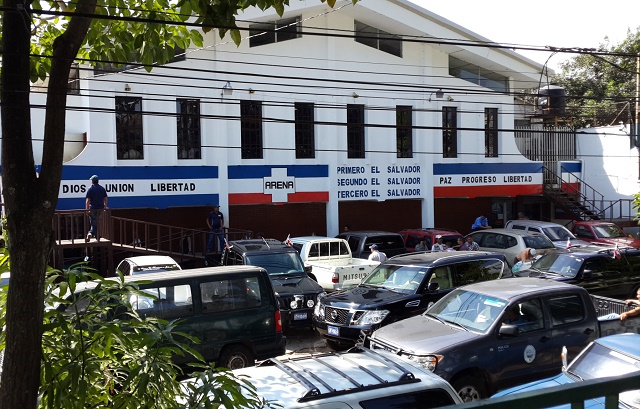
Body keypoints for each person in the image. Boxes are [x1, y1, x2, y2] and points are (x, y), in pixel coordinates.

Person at [85, 175, 108, 241]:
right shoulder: (102, 188)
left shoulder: (90, 189)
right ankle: (96, 236)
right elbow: (106, 198)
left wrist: (86, 209)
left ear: (92, 181)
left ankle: (90, 233)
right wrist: (105, 206)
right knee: (96, 222)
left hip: (92, 208)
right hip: (100, 208)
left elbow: (88, 200)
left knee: (93, 222)